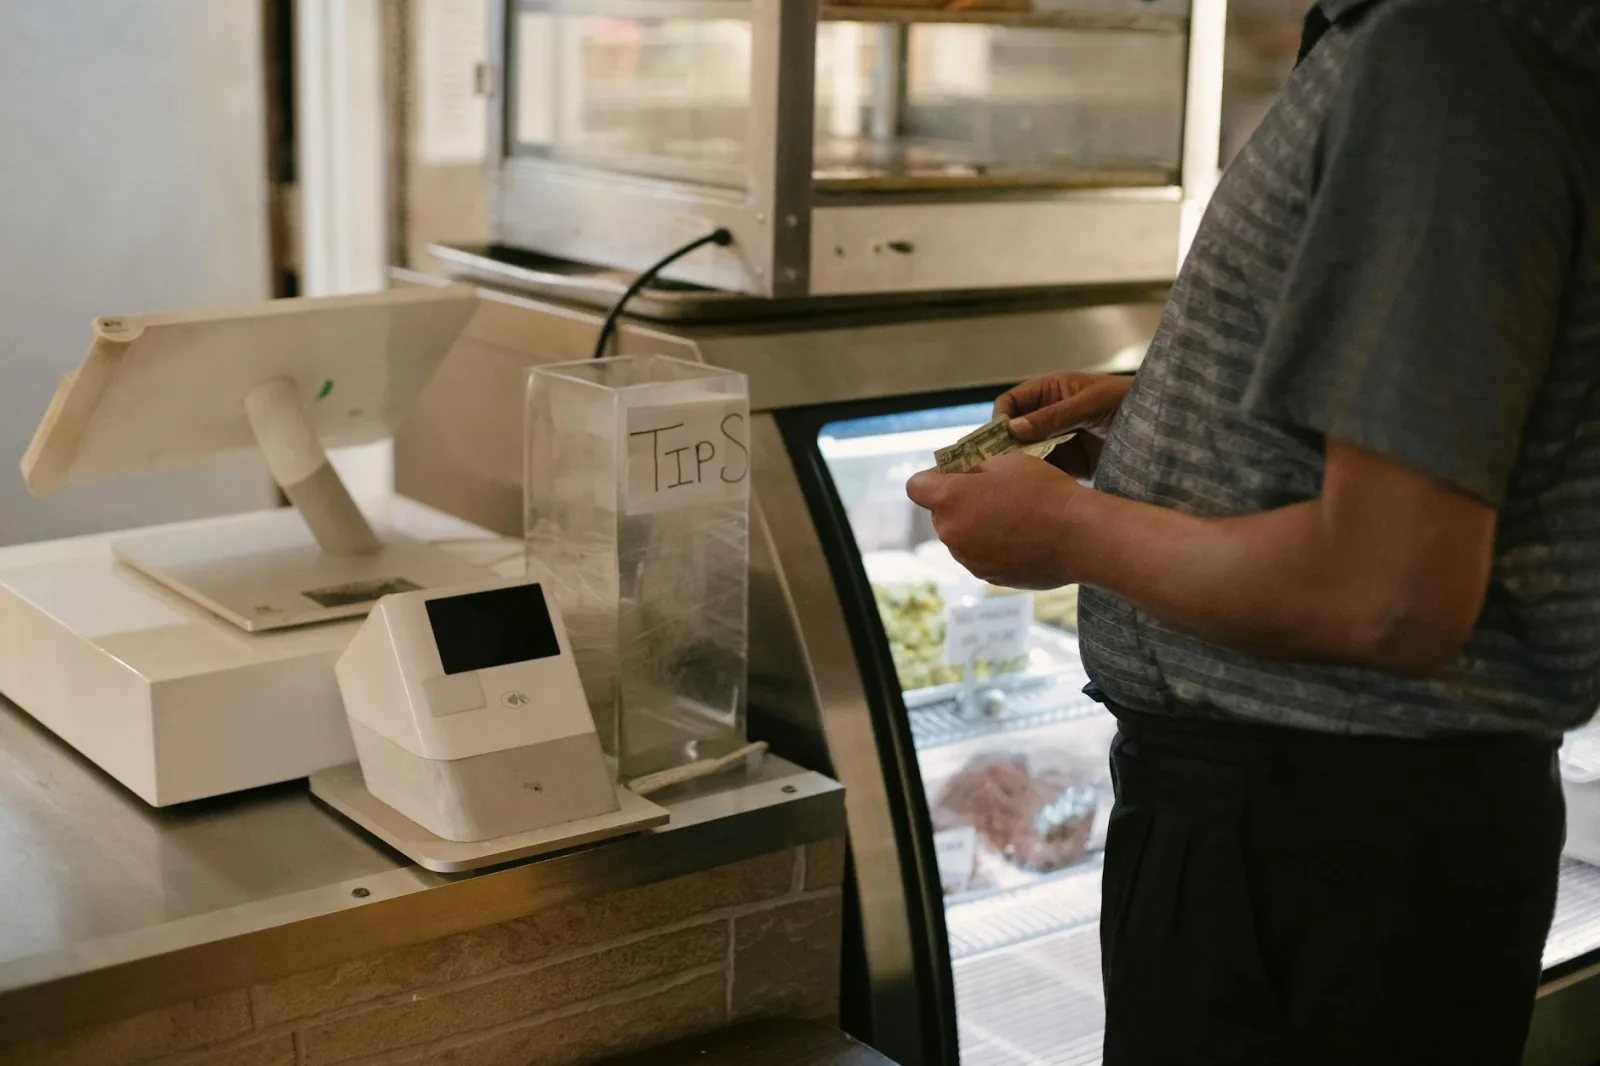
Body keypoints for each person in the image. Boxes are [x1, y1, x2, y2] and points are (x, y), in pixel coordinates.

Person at [906, 0, 1600, 1062]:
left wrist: (1066, 531)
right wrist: (1175, 413)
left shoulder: (1445, 46)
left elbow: (1389, 591)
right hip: (1324, 845)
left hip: (1311, 859)